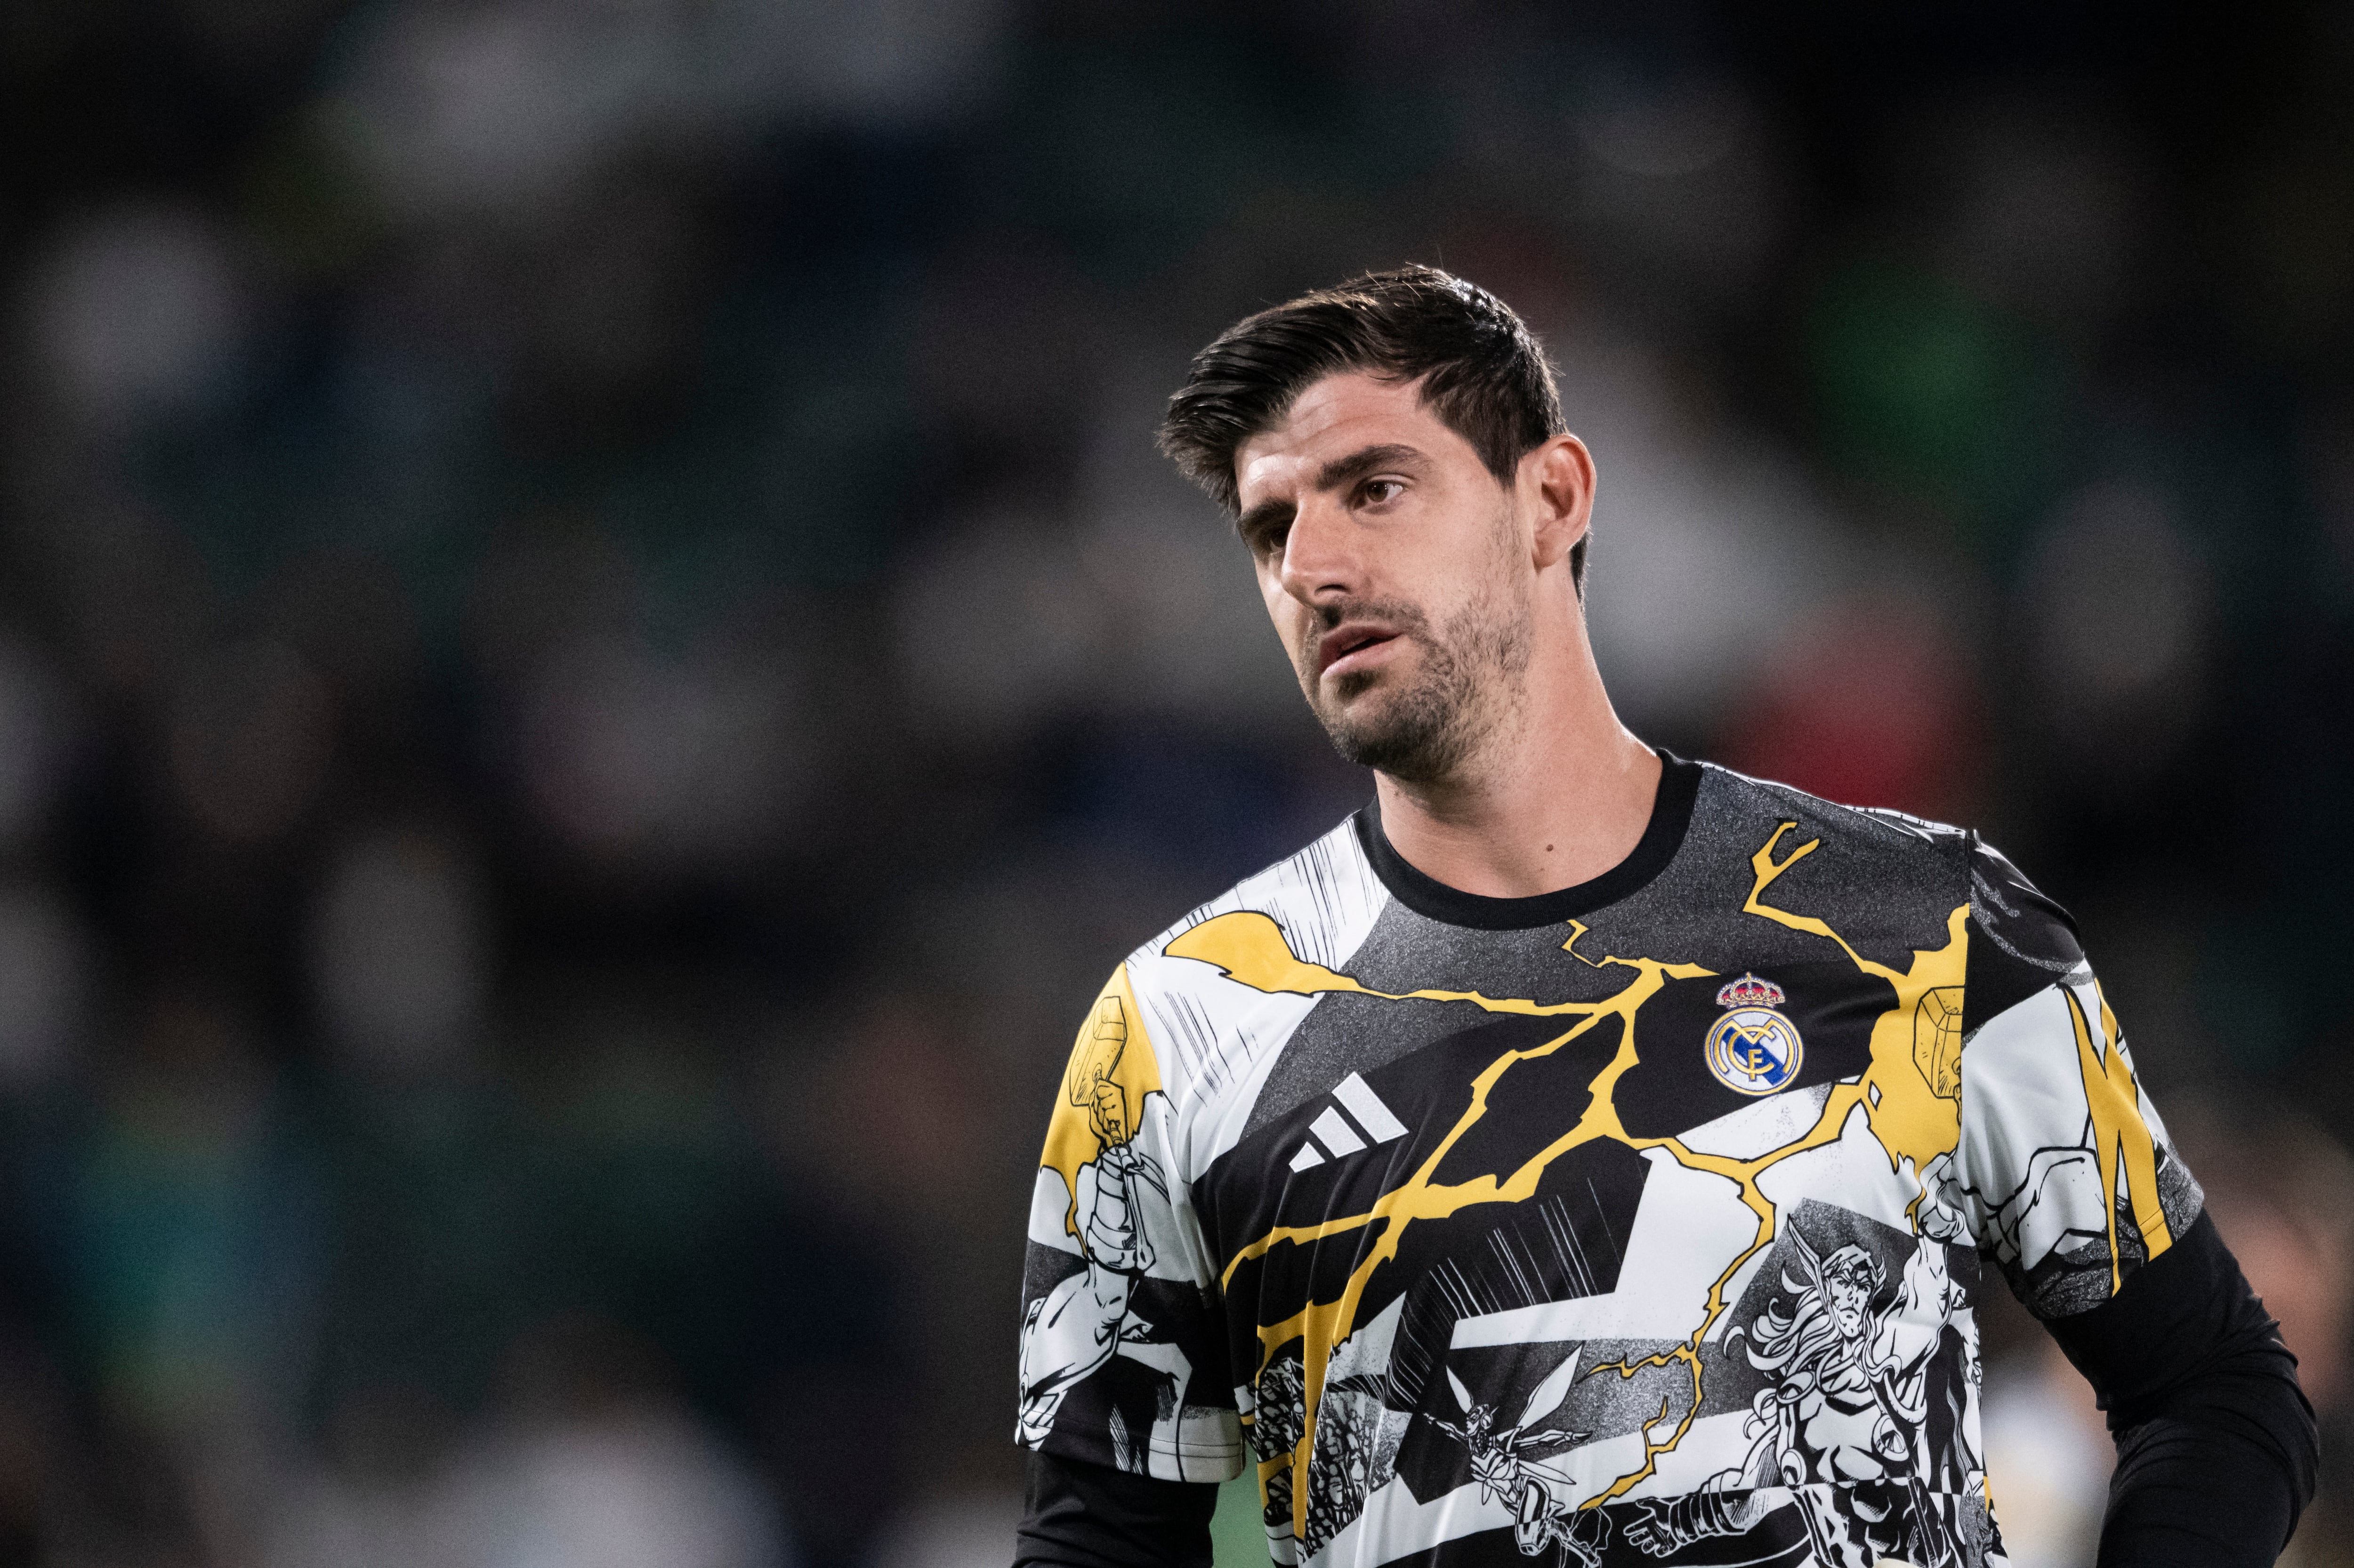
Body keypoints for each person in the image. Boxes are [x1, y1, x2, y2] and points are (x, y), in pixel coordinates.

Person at [1009, 266, 2314, 1568]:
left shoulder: (1928, 921)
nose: (1313, 567)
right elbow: (1099, 1542)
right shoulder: (1178, 1029)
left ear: (1552, 499)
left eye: (1376, 489)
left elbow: (2216, 1388)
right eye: (1270, 528)